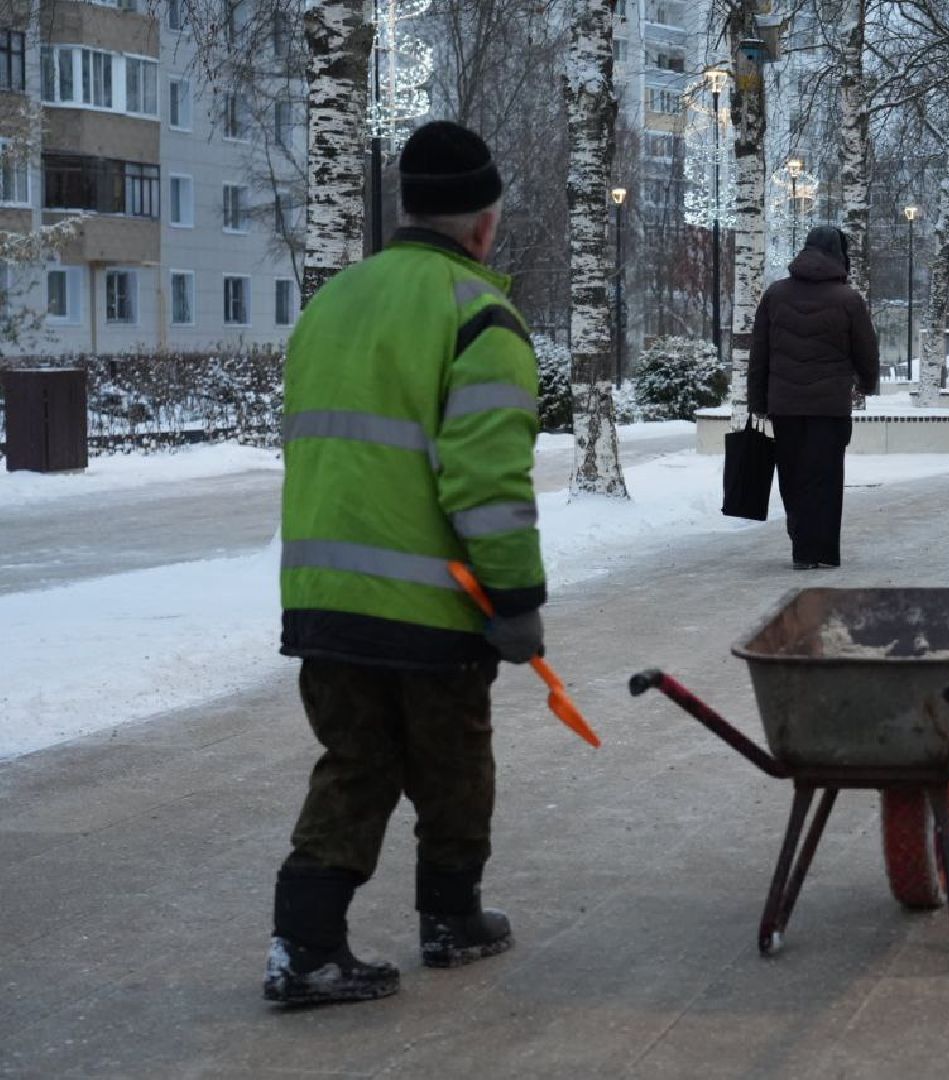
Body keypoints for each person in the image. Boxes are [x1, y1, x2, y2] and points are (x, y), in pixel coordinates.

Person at [264, 121, 547, 1006]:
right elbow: (487, 481)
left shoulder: (330, 303)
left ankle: (304, 946)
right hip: (430, 603)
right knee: (452, 765)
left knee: (354, 763)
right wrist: (514, 598)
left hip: (322, 595)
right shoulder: (478, 316)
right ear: (483, 224)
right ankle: (450, 919)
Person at [748, 226, 879, 570]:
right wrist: (867, 383)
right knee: (826, 476)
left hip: (786, 406)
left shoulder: (775, 295)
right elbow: (866, 351)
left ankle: (801, 546)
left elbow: (759, 354)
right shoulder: (848, 300)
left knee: (792, 474)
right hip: (830, 407)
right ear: (839, 255)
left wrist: (757, 402)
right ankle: (824, 550)